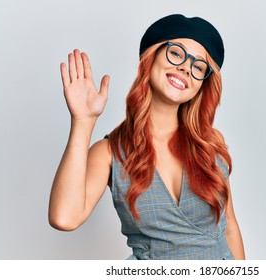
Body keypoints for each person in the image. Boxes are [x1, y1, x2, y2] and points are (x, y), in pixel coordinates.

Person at [49, 14, 245, 260]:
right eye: (176, 53)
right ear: (150, 58)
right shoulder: (110, 153)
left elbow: (230, 227)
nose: (186, 67)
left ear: (202, 85)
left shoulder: (210, 143)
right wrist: (82, 121)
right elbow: (64, 218)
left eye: (198, 67)